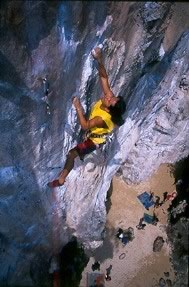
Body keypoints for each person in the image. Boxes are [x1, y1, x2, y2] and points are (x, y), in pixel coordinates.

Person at [48, 46, 126, 188]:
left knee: (72, 154)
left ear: (109, 109)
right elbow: (104, 77)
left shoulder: (103, 119)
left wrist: (78, 107)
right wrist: (99, 59)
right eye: (112, 96)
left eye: (110, 100)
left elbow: (85, 126)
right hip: (94, 131)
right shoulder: (109, 99)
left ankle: (61, 180)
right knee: (77, 150)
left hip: (94, 140)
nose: (108, 96)